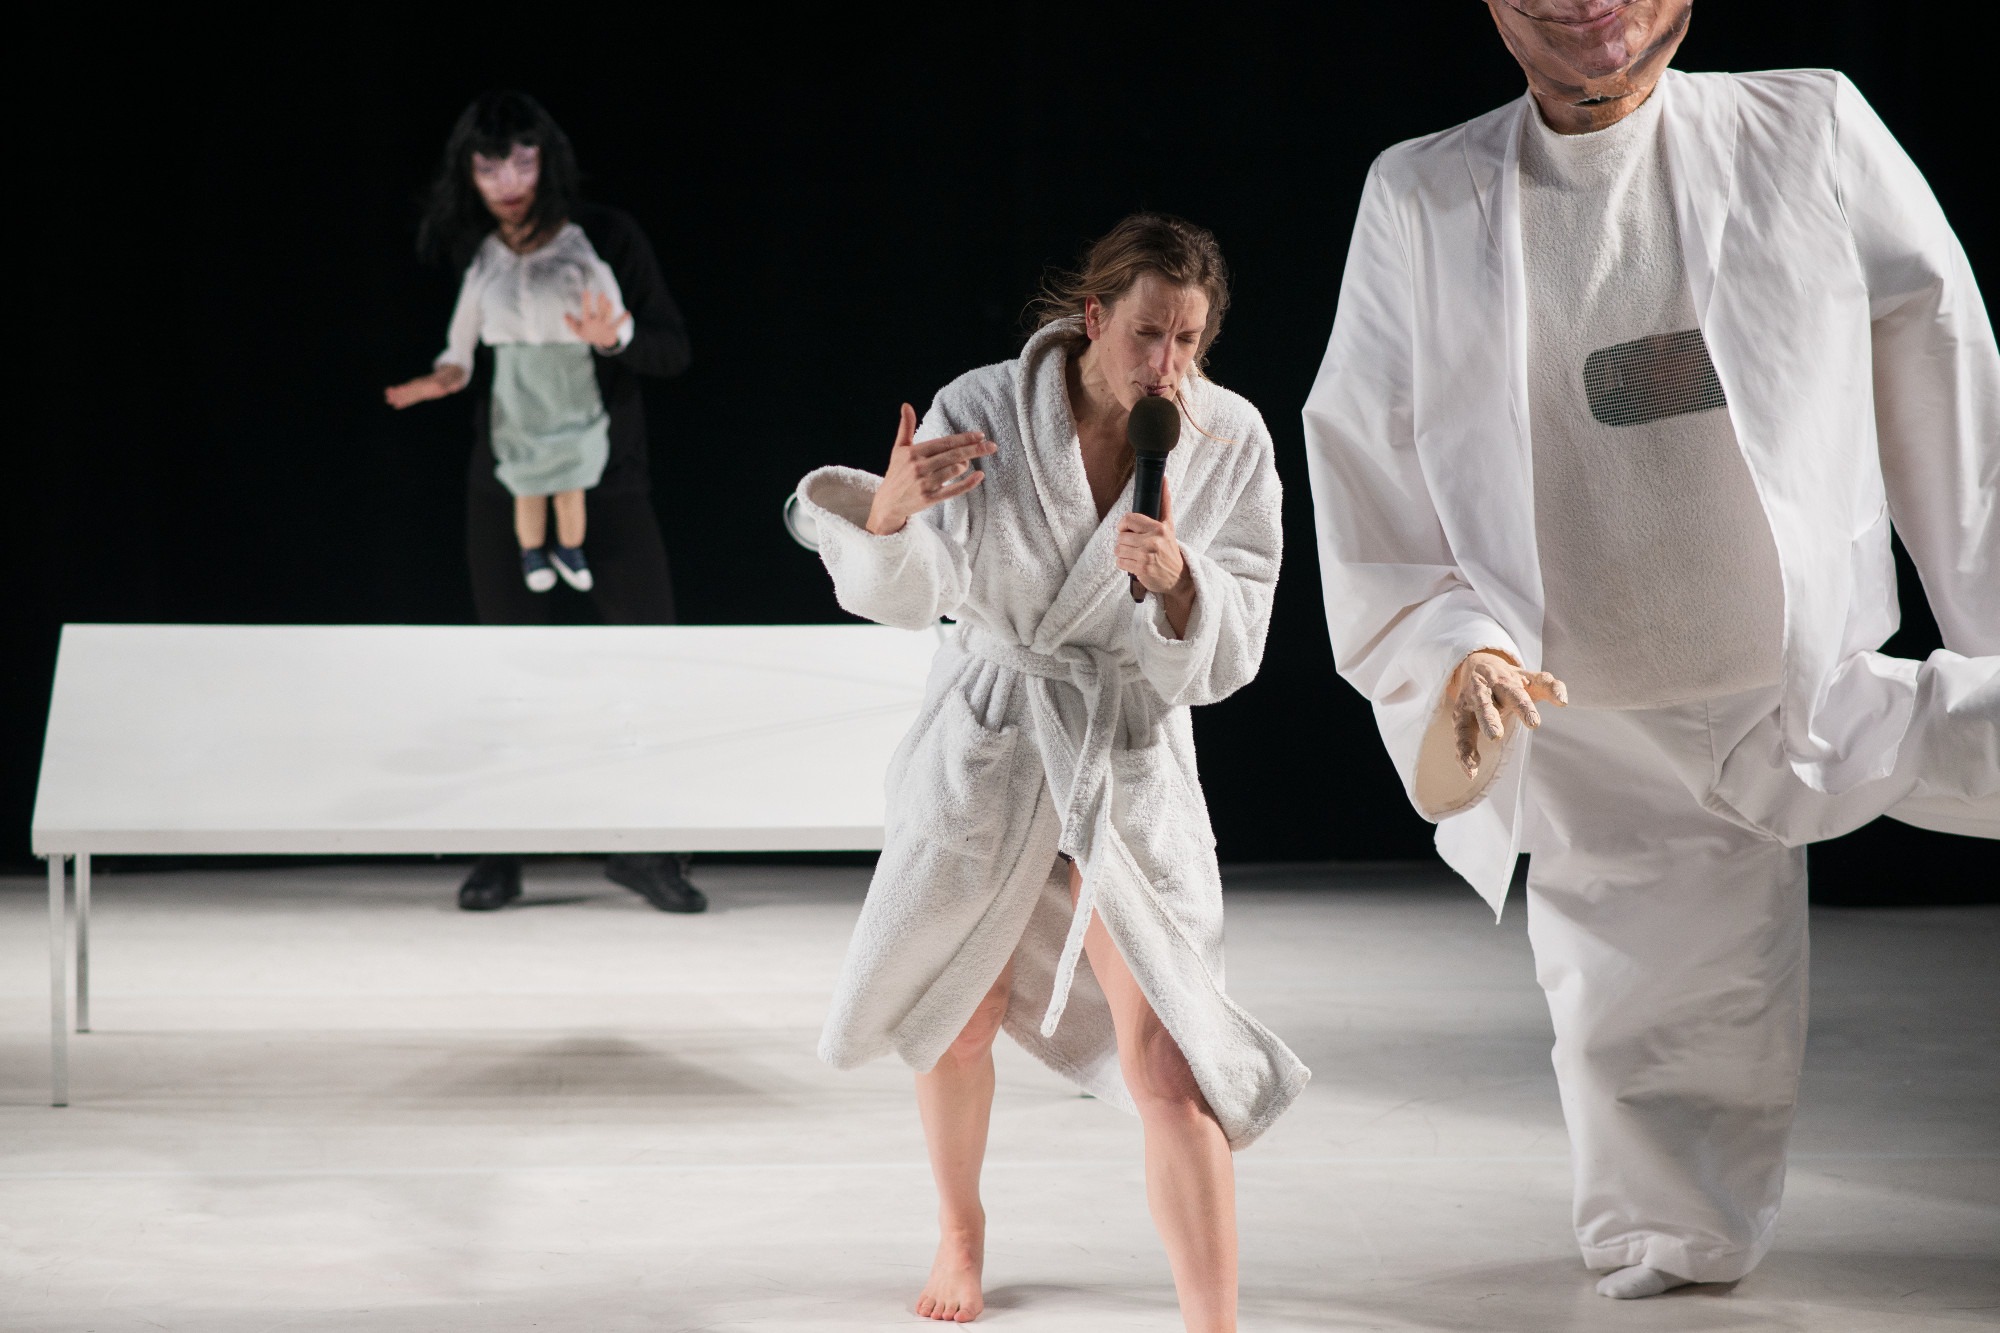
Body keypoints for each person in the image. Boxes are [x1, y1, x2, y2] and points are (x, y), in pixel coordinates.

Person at [1305, 0, 1997, 1301]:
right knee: (1643, 1062)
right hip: (1597, 714)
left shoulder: (1805, 127)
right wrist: (1456, 650)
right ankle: (1671, 1233)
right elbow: (1370, 462)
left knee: (1962, 732)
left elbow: (1943, 363)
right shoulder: (1425, 195)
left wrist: (1990, 620)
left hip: (1804, 672)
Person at [794, 214, 1305, 1328]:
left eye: (1188, 340)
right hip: (993, 734)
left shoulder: (1229, 439)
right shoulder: (982, 408)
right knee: (960, 1007)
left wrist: (1182, 585)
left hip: (1124, 757)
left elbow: (1240, 639)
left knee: (1171, 1056)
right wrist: (889, 515)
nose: (1167, 364)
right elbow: (910, 593)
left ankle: (1214, 1322)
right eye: (1147, 333)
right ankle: (959, 1230)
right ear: (1093, 316)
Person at [385, 90, 706, 915]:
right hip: (510, 474)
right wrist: (439, 377)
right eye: (489, 165)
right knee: (508, 663)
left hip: (608, 476)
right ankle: (502, 847)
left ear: (547, 160)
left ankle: (650, 849)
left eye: (522, 161)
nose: (507, 181)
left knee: (647, 657)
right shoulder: (475, 246)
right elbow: (461, 350)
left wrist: (615, 337)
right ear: (468, 173)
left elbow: (670, 349)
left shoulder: (604, 238)